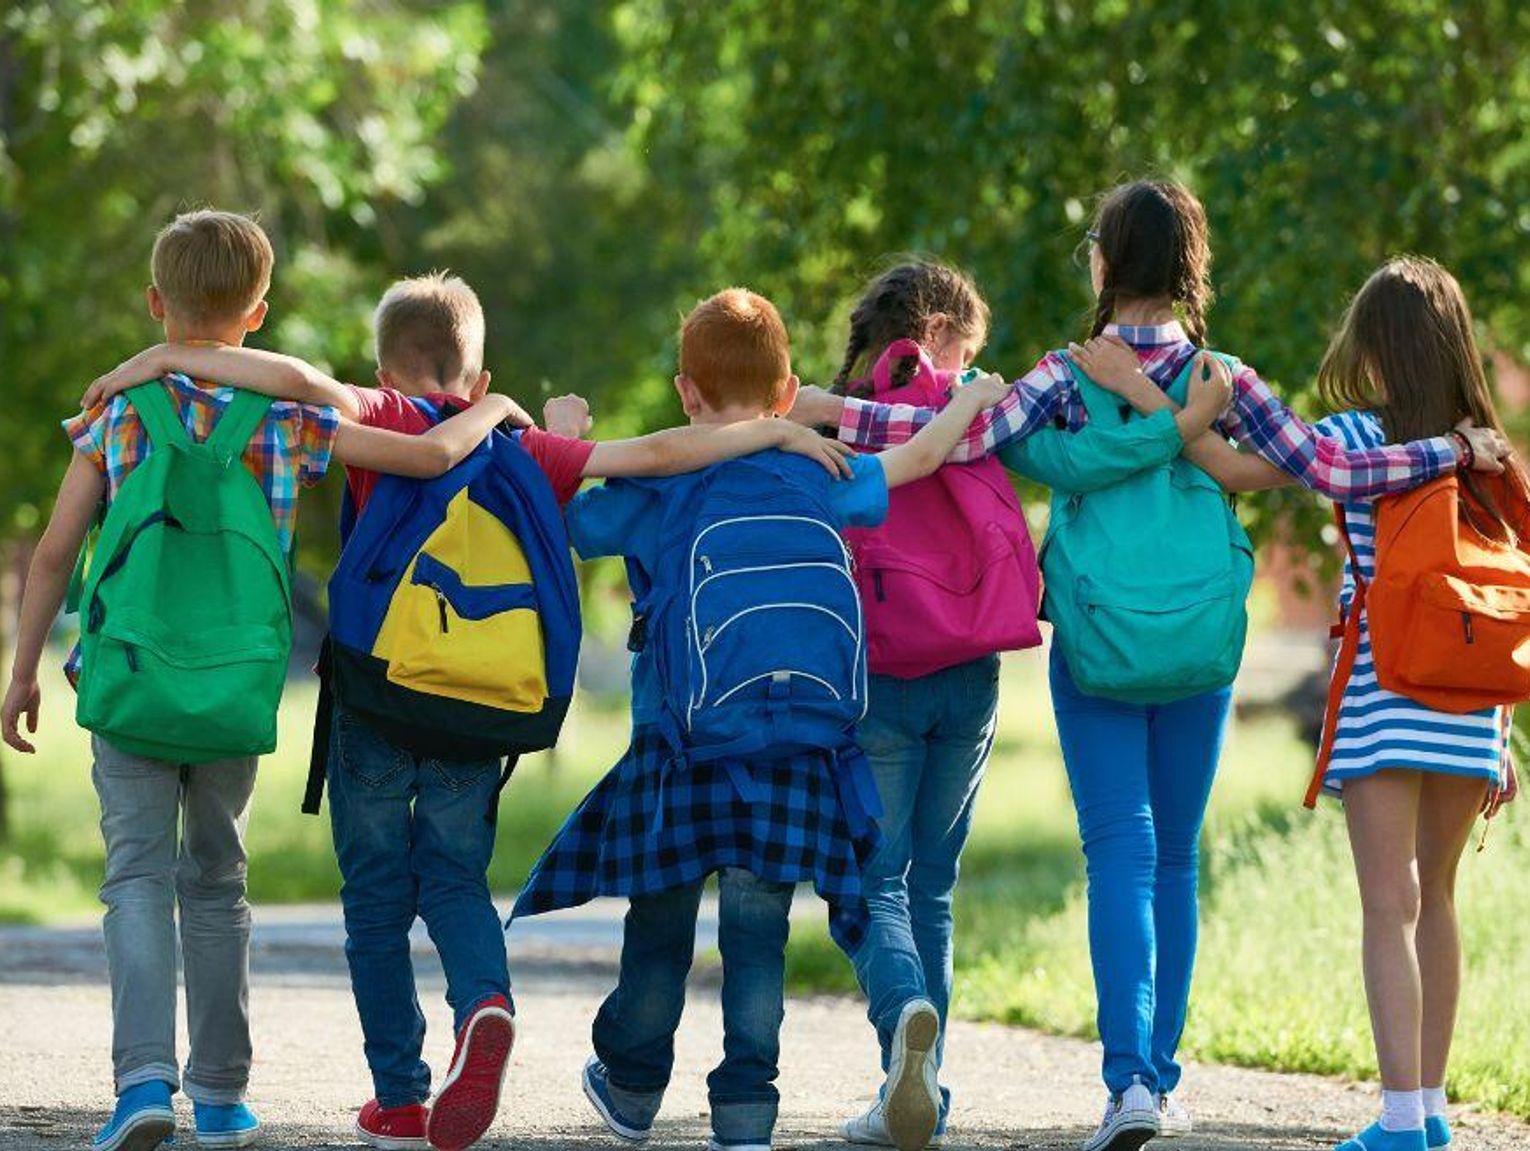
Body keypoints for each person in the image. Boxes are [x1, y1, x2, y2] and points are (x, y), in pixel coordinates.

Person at [790, 181, 1512, 1151]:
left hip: (1096, 634)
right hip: (1203, 644)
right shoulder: (1227, 375)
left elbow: (950, 437)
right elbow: (1315, 461)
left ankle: (1128, 1078)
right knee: (1176, 856)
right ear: (1190, 267)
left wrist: (837, 408)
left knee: (1120, 855)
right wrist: (1451, 446)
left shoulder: (1058, 375)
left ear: (1105, 262)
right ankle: (1164, 1081)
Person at [81, 272, 860, 1151]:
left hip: (379, 694)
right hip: (480, 703)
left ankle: (400, 1096)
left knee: (375, 898)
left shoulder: (378, 420)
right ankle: (485, 1002)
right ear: (480, 380)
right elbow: (654, 455)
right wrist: (777, 430)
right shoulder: (524, 446)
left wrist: (154, 357)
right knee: (454, 878)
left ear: (383, 365)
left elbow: (292, 379)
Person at [0, 212, 519, 1151]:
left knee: (134, 879)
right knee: (218, 879)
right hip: (236, 691)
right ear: (260, 311)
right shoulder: (289, 418)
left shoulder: (116, 411)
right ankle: (225, 1095)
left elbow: (52, 555)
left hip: (130, 683)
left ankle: (142, 1085)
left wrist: (23, 668)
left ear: (157, 303)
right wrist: (495, 407)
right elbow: (431, 457)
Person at [508, 287, 1009, 1151]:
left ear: (686, 393)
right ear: (787, 391)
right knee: (757, 934)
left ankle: (631, 1084)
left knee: (659, 927)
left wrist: (566, 427)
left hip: (680, 744)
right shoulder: (817, 467)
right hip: (795, 744)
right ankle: (745, 1110)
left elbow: (556, 526)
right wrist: (968, 400)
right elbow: (918, 462)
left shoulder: (661, 480)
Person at [823, 259, 1229, 1151]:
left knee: (873, 875)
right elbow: (1076, 455)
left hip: (879, 662)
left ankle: (906, 1045)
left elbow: (906, 440)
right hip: (969, 659)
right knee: (933, 882)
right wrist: (1184, 422)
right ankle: (963, 1072)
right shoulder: (981, 399)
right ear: (938, 335)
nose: (972, 362)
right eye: (966, 347)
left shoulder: (836, 417)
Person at [1138, 256, 1519, 1151]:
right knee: (1441, 901)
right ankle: (1429, 1112)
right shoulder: (1487, 446)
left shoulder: (1357, 435)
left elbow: (1281, 462)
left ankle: (1398, 1121)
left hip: (1390, 682)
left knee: (1391, 902)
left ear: (1379, 345)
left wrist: (1177, 399)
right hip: (1473, 693)